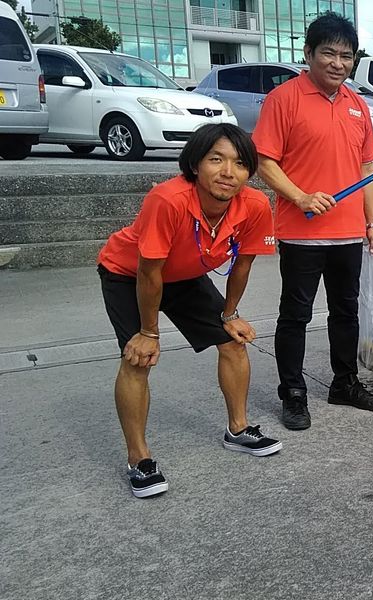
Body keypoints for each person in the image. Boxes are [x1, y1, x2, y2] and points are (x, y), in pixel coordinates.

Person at [96, 123, 281, 498]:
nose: (228, 172)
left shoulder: (256, 204)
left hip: (184, 275)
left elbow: (243, 264)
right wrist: (148, 333)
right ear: (196, 164)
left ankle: (238, 429)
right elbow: (149, 272)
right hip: (129, 273)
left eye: (240, 163)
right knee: (138, 358)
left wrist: (230, 314)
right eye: (216, 159)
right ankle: (138, 459)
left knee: (232, 342)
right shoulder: (168, 199)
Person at [253, 12, 373, 431]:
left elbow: (367, 169)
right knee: (296, 315)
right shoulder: (284, 98)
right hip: (302, 233)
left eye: (346, 56)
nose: (338, 63)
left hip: (348, 233)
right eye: (329, 53)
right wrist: (300, 196)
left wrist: (372, 223)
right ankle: (293, 392)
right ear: (308, 53)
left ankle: (345, 382)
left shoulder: (357, 105)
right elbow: (264, 161)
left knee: (346, 312)